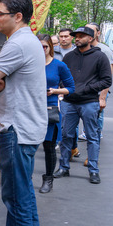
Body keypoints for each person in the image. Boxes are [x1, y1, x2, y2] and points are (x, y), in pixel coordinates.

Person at [0, 0, 45, 226]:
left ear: (17, 17)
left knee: (16, 200)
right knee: (23, 198)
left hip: (17, 130)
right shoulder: (28, 41)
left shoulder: (17, 44)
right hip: (26, 128)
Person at [55, 26, 112, 184]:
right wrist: (63, 89)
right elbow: (62, 76)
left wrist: (87, 89)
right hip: (69, 102)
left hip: (89, 102)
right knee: (66, 136)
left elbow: (107, 80)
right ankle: (64, 167)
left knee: (92, 137)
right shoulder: (69, 57)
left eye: (81, 36)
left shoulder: (100, 57)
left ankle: (93, 170)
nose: (77, 38)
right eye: (76, 36)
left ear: (90, 38)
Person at [36, 34, 74, 194]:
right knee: (27, 146)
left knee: (49, 147)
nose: (41, 49)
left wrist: (55, 91)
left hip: (50, 109)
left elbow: (71, 87)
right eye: (38, 46)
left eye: (44, 46)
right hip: (31, 109)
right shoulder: (31, 64)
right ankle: (25, 179)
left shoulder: (59, 65)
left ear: (50, 46)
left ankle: (48, 179)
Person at [85, 22, 113, 142]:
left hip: (99, 89)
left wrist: (103, 96)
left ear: (98, 33)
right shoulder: (82, 48)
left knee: (98, 113)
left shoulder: (104, 50)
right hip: (86, 88)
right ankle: (88, 133)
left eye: (91, 30)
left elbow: (108, 76)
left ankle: (97, 134)